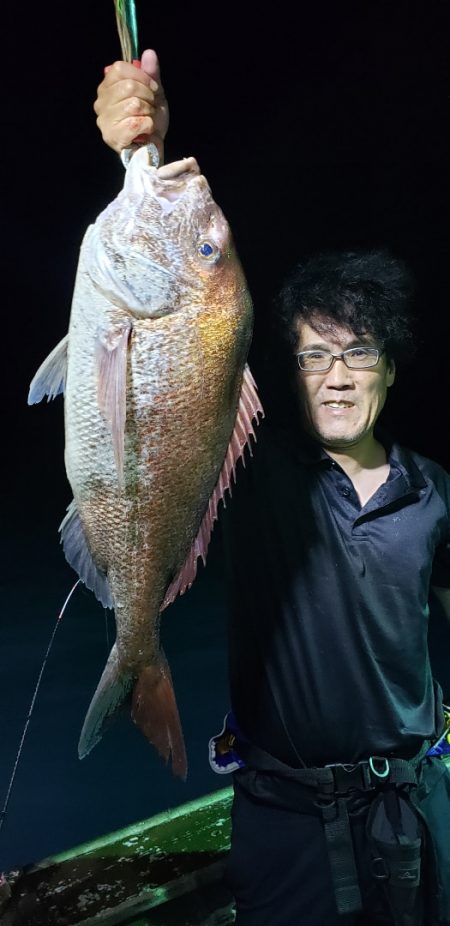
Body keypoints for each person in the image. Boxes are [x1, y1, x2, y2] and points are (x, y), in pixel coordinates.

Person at [94, 53, 450, 926]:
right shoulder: (258, 479)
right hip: (288, 829)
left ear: (390, 367)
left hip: (418, 817)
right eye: (313, 354)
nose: (335, 376)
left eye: (357, 351)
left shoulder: (436, 493)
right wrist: (140, 147)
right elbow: (189, 354)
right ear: (287, 373)